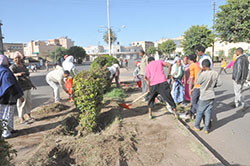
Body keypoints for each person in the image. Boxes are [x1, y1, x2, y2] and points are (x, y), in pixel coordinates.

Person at [193, 59, 222, 134]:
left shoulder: (203, 74)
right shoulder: (215, 73)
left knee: (199, 112)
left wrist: (200, 72)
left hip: (204, 96)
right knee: (208, 112)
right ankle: (206, 128)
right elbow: (220, 83)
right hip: (211, 95)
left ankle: (197, 126)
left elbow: (197, 82)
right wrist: (213, 85)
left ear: (204, 66)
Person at [0, 54, 24, 138]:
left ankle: (9, 129)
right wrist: (19, 96)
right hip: (8, 97)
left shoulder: (1, 70)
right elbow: (10, 85)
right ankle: (6, 133)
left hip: (2, 96)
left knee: (4, 114)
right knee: (7, 114)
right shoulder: (5, 72)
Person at [10, 52, 36, 124]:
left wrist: (32, 84)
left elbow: (27, 76)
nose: (17, 59)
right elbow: (10, 75)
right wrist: (17, 74)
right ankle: (21, 118)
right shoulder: (13, 67)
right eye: (16, 58)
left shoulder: (23, 66)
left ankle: (29, 115)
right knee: (21, 103)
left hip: (27, 86)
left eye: (18, 58)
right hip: (20, 87)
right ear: (13, 59)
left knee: (29, 102)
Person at [188, 54, 201, 118]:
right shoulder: (198, 64)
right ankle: (193, 113)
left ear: (190, 60)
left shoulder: (192, 65)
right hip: (201, 85)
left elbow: (191, 78)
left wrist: (190, 89)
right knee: (196, 101)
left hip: (197, 86)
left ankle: (201, 112)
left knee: (193, 102)